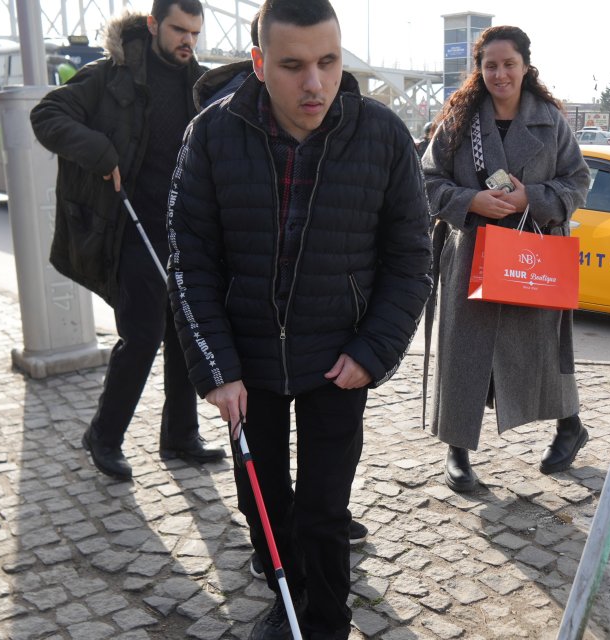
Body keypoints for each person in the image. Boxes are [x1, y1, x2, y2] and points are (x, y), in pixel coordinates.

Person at [167, 0, 432, 636]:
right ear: (258, 63)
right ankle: (284, 594)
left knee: (323, 505)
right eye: (291, 66)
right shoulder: (210, 134)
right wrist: (216, 368)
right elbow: (189, 261)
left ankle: (326, 619)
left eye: (328, 62)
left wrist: (373, 351)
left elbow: (412, 260)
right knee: (263, 500)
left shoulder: (383, 136)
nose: (314, 84)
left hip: (338, 358)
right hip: (245, 363)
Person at [31, 0, 224, 480]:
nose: (188, 42)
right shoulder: (109, 75)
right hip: (130, 227)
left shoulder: (198, 83)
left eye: (196, 34)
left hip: (185, 230)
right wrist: (99, 151)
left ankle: (180, 435)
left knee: (185, 336)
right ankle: (104, 434)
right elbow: (46, 115)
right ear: (154, 24)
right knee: (141, 337)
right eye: (180, 30)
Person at [421, 25, 591, 493]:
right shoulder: (458, 121)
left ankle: (570, 426)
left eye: (508, 64)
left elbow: (578, 181)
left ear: (524, 66)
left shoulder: (550, 121)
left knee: (542, 350)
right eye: (490, 65)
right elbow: (429, 181)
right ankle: (456, 449)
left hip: (531, 255)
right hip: (471, 253)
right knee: (465, 355)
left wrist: (528, 199)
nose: (499, 74)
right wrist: (470, 202)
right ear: (479, 69)